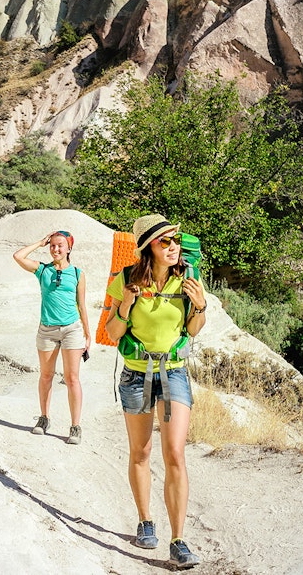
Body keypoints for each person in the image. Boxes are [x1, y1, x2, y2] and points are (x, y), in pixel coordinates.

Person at [104, 214, 207, 569]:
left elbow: (193, 329)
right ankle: (146, 520)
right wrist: (126, 305)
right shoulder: (126, 280)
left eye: (176, 241)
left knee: (175, 453)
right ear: (149, 247)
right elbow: (113, 333)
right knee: (141, 452)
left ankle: (178, 540)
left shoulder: (189, 278)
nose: (174, 247)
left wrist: (201, 305)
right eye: (165, 242)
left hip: (174, 372)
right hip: (135, 374)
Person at [13, 230, 91, 445]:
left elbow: (82, 306)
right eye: (53, 245)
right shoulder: (42, 270)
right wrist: (39, 242)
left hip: (72, 330)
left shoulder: (77, 273)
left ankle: (75, 427)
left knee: (72, 378)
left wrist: (87, 334)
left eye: (60, 245)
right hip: (47, 330)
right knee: (46, 375)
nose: (55, 249)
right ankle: (44, 418)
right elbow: (18, 257)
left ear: (69, 248)